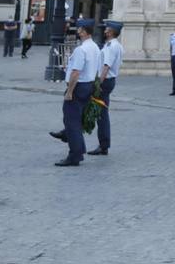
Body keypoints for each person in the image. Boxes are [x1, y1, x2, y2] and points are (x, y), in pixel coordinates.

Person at [50, 20, 101, 166]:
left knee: (71, 121)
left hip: (78, 86)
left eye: (79, 29)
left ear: (84, 31)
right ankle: (76, 146)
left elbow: (76, 72)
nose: (77, 31)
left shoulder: (81, 49)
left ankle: (75, 155)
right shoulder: (95, 47)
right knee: (75, 120)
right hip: (89, 84)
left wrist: (70, 92)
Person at [88, 21, 124, 156]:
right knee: (102, 113)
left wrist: (98, 84)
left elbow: (106, 66)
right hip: (109, 81)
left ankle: (103, 145)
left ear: (111, 32)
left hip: (105, 81)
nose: (105, 31)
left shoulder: (110, 46)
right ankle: (103, 144)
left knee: (101, 114)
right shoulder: (117, 46)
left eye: (107, 29)